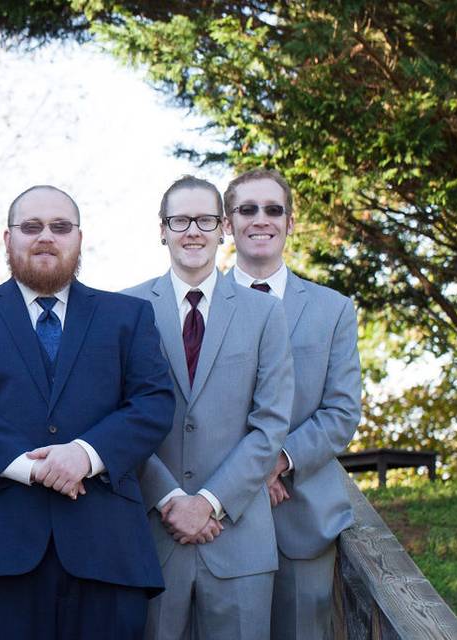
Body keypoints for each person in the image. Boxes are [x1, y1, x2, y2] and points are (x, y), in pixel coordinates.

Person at [0, 185, 174, 640]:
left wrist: (85, 454)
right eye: (31, 227)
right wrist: (33, 469)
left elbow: (153, 403)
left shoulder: (129, 316)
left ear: (79, 238)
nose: (45, 237)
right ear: (7, 238)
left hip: (108, 551)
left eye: (60, 227)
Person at [124, 175, 294, 640]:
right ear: (162, 229)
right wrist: (171, 499)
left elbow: (270, 424)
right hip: (151, 534)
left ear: (222, 228)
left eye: (204, 219)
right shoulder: (125, 308)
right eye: (180, 220)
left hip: (238, 538)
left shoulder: (264, 313)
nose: (192, 231)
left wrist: (211, 503)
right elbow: (116, 418)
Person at [224, 169, 361, 640]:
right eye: (247, 209)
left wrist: (277, 463)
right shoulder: (201, 307)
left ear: (290, 222)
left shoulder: (333, 309)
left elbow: (341, 412)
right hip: (219, 516)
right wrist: (246, 473)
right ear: (227, 223)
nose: (260, 220)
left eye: (273, 209)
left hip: (302, 517)